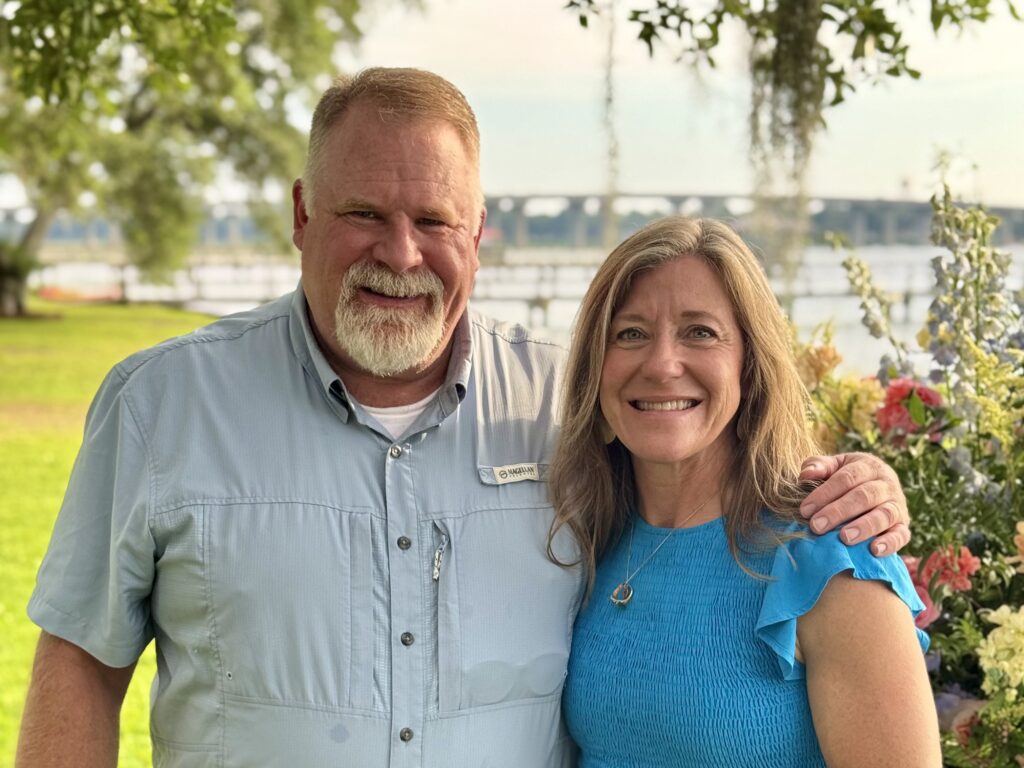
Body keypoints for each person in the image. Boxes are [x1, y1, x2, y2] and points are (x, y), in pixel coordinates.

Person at [18, 69, 912, 768]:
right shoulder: (163, 407)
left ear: (477, 233)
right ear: (301, 213)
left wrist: (861, 487)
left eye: (433, 220)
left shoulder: (565, 403)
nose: (400, 252)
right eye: (363, 213)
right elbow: (81, 663)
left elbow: (705, 467)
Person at [551, 217, 940, 767]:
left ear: (751, 367)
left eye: (700, 332)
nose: (662, 364)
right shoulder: (590, 534)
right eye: (630, 333)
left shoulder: (831, 556)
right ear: (596, 368)